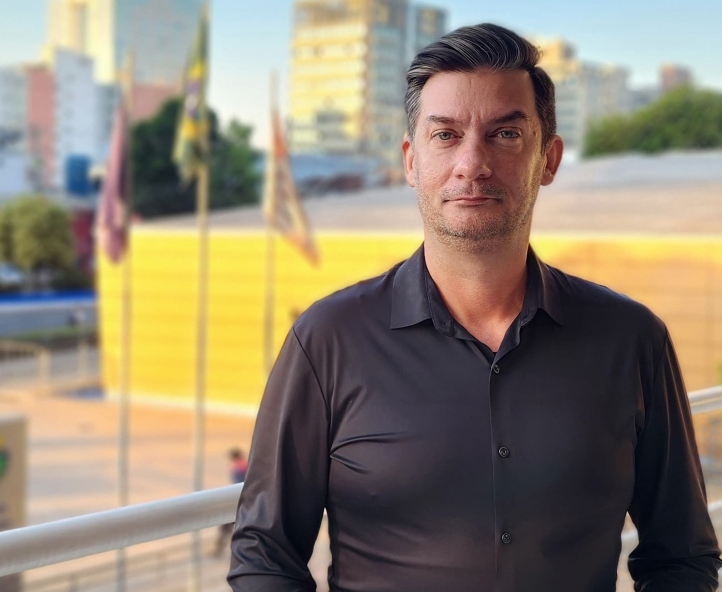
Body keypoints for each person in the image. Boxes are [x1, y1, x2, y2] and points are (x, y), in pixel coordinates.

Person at [227, 23, 722, 591]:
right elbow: (265, 556)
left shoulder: (632, 339)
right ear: (411, 161)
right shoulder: (327, 339)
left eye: (505, 134)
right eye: (445, 135)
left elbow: (681, 556)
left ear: (549, 159)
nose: (472, 163)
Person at [213, 447, 248, 557]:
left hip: (237, 502)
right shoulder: (245, 464)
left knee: (226, 526)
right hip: (241, 501)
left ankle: (219, 549)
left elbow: (238, 484)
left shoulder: (238, 467)